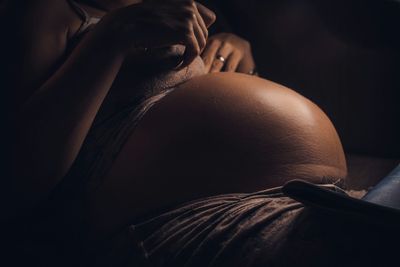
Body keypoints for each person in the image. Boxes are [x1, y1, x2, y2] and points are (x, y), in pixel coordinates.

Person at [3, 0, 347, 266]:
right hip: (182, 220)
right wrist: (115, 35)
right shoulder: (46, 12)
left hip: (298, 194)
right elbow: (16, 185)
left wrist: (232, 48)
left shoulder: (162, 6)